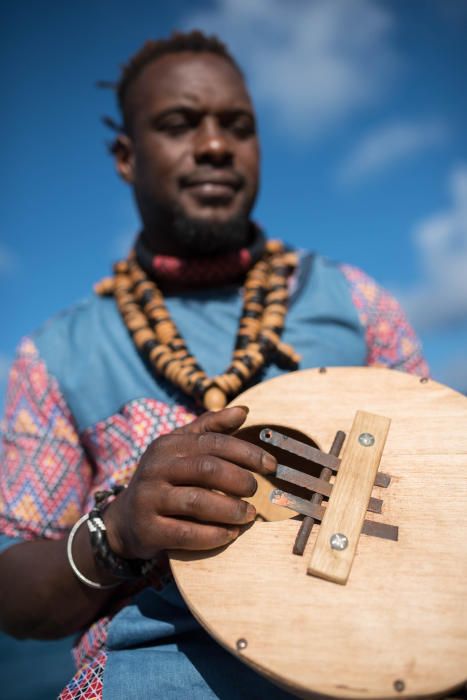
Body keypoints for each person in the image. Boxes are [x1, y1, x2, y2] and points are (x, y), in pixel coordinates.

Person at [0, 31, 427, 699]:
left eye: (238, 127)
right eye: (178, 124)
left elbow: (441, 487)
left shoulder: (355, 302)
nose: (215, 146)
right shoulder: (56, 354)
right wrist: (119, 532)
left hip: (379, 666)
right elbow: (14, 596)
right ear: (125, 155)